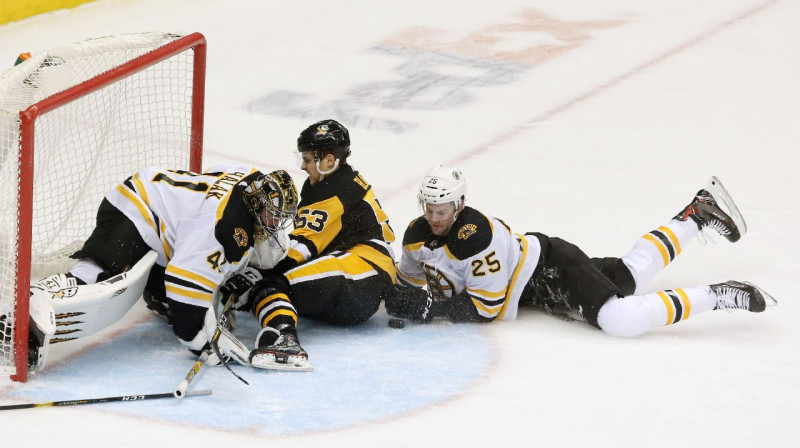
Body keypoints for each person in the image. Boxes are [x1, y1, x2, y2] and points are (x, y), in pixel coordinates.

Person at [386, 165, 777, 336]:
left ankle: (721, 294)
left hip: (549, 268)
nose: (435, 218)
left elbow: (486, 311)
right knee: (631, 274)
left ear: (459, 204)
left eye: (442, 210)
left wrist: (429, 308)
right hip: (537, 279)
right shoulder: (417, 235)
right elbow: (407, 280)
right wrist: (399, 296)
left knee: (619, 319)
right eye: (430, 209)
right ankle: (696, 213)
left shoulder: (477, 237)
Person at [21, 165, 298, 372]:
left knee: (168, 289)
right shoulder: (222, 230)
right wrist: (201, 342)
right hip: (134, 206)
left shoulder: (251, 178)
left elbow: (213, 175)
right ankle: (26, 307)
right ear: (257, 204)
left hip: (154, 193)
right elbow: (182, 286)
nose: (275, 224)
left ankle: (155, 292)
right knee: (100, 277)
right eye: (273, 216)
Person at [223, 119, 397, 370]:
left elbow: (301, 247)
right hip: (351, 278)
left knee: (272, 281)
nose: (303, 166)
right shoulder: (327, 182)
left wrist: (251, 272)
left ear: (329, 160)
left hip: (363, 275)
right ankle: (281, 330)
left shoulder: (338, 190)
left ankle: (287, 342)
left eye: (307, 159)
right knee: (265, 284)